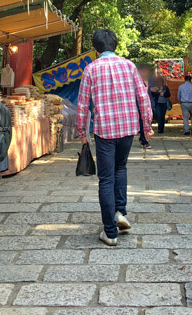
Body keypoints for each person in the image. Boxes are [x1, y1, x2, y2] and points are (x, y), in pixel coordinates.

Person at [76, 30, 153, 246]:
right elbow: (142, 96)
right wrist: (146, 126)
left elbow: (83, 105)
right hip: (128, 128)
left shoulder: (91, 69)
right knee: (121, 169)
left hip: (105, 131)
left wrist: (82, 134)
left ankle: (110, 232)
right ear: (115, 45)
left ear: (95, 49)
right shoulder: (129, 66)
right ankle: (120, 212)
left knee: (106, 178)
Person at [136, 65, 155, 148]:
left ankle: (143, 138)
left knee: (143, 122)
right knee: (142, 122)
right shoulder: (137, 81)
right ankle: (144, 141)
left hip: (146, 104)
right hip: (138, 105)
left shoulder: (148, 81)